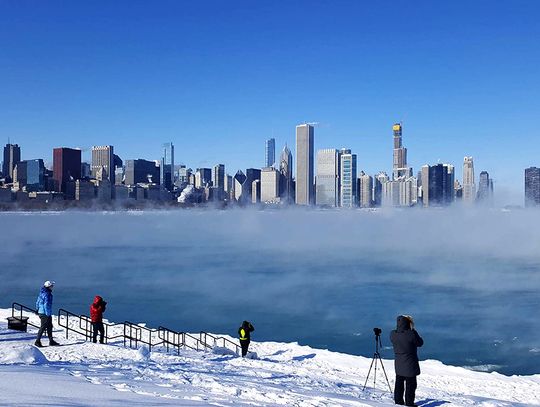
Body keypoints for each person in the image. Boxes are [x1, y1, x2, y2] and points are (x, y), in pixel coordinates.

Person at [390, 315, 424, 406]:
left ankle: (398, 402)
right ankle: (409, 404)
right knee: (411, 385)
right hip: (410, 364)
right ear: (408, 323)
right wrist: (413, 331)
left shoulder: (393, 334)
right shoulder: (411, 334)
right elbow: (420, 343)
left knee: (399, 384)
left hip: (398, 363)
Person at [35, 280, 59, 347]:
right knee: (43, 327)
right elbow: (46, 305)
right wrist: (48, 314)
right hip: (45, 313)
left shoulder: (42, 293)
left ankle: (51, 341)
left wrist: (37, 309)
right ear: (49, 286)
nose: (52, 287)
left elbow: (37, 302)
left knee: (49, 326)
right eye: (52, 286)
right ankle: (37, 341)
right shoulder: (48, 294)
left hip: (41, 312)